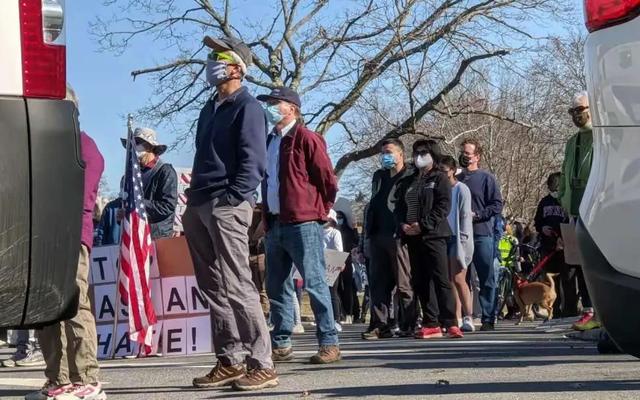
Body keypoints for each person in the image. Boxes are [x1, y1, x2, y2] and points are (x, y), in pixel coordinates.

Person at [183, 35, 277, 391]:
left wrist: (233, 197)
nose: (210, 62)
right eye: (209, 56)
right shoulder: (209, 108)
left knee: (238, 282)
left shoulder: (248, 107)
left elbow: (254, 160)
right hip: (199, 203)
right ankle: (230, 359)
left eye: (218, 56)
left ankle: (262, 362)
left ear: (237, 67)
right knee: (212, 285)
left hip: (227, 203)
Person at [27, 86, 106, 400]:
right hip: (44, 239)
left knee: (75, 306)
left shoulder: (84, 146)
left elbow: (78, 198)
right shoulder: (48, 146)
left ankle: (86, 378)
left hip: (71, 237)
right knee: (48, 311)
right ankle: (58, 379)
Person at [257, 86, 341, 364]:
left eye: (274, 102)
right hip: (275, 223)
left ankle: (329, 341)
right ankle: (281, 341)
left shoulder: (306, 138)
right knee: (277, 285)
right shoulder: (269, 141)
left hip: (303, 222)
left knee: (314, 282)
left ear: (291, 108)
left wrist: (320, 209)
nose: (269, 107)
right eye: (268, 102)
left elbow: (327, 179)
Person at [394, 140, 462, 339]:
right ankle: (431, 321)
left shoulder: (439, 178)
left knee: (441, 279)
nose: (419, 156)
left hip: (434, 235)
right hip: (412, 238)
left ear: (433, 154)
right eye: (416, 153)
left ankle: (450, 322)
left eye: (424, 152)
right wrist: (403, 225)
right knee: (421, 281)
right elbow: (399, 207)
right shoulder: (409, 180)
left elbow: (443, 206)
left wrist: (423, 225)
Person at [361, 139, 415, 340]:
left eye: (389, 152)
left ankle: (408, 323)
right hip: (378, 235)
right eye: (383, 152)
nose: (385, 156)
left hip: (399, 236)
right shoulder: (379, 176)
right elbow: (373, 203)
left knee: (404, 283)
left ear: (401, 154)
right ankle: (379, 325)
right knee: (378, 283)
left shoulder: (410, 175)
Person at [559, 91, 598, 331]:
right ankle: (588, 309)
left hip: (597, 209)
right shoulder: (572, 142)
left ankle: (600, 309)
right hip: (575, 209)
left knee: (596, 260)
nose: (576, 115)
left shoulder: (602, 136)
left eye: (580, 110)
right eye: (572, 111)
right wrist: (563, 199)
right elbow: (564, 173)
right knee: (581, 261)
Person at [458, 138, 504, 331]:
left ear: (477, 156)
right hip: (461, 235)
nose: (464, 156)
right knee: (461, 278)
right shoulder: (457, 179)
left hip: (482, 233)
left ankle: (488, 318)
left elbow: (497, 205)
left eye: (468, 153)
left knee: (486, 277)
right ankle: (464, 317)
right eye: (462, 153)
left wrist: (478, 215)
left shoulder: (487, 178)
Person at [119, 127, 178, 240]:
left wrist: (136, 204)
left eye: (138, 142)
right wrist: (121, 213)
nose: (134, 147)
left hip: (157, 238)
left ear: (150, 146)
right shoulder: (127, 177)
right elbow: (122, 203)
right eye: (131, 144)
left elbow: (167, 206)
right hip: (133, 238)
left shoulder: (165, 171)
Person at [440, 156, 475, 332]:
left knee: (459, 278)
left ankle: (469, 315)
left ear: (453, 171)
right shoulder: (440, 189)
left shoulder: (461, 189)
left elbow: (465, 217)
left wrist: (463, 240)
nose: (443, 175)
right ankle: (457, 317)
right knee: (449, 280)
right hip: (443, 237)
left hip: (459, 238)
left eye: (445, 172)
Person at [534, 172, 576, 318]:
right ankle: (555, 310)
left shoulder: (567, 202)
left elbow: (571, 222)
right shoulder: (544, 202)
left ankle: (570, 310)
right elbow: (537, 222)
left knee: (568, 280)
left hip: (565, 246)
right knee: (552, 281)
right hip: (548, 247)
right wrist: (542, 228)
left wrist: (564, 239)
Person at [336, 210, 359, 324]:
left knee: (348, 288)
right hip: (334, 260)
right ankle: (341, 313)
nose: (339, 219)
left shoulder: (348, 231)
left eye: (340, 217)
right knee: (337, 289)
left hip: (347, 260)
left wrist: (354, 228)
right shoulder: (334, 230)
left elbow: (356, 241)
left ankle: (350, 313)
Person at [324, 209, 344, 332]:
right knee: (320, 292)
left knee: (332, 292)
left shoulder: (335, 233)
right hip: (320, 262)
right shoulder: (317, 232)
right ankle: (325, 318)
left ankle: (336, 319)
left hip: (332, 262)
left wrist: (340, 262)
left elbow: (338, 248)